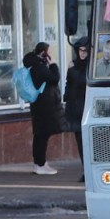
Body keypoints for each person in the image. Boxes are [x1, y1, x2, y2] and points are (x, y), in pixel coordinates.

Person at [24, 42, 64, 175]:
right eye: (49, 52)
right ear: (44, 53)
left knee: (40, 134)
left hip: (38, 105)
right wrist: (53, 64)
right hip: (43, 106)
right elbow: (55, 78)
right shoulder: (39, 67)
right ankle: (40, 164)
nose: (50, 54)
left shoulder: (34, 65)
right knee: (43, 135)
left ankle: (39, 163)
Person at [63, 41, 90, 158]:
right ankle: (85, 169)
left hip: (86, 106)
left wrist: (72, 71)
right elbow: (68, 83)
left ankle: (87, 171)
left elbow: (83, 81)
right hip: (75, 107)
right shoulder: (73, 65)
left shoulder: (90, 66)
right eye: (80, 50)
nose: (82, 53)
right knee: (79, 139)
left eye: (85, 51)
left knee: (87, 141)